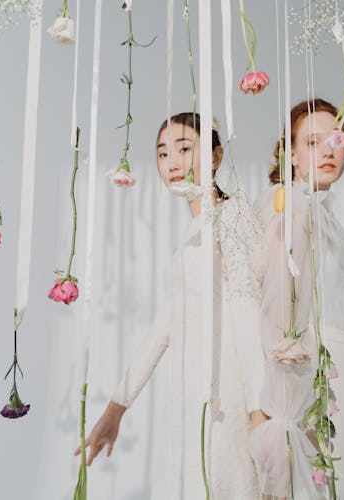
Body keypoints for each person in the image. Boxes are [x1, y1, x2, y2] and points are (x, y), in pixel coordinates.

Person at [76, 112, 267, 499]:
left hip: (225, 398)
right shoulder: (193, 231)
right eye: (163, 154)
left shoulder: (231, 217)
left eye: (184, 149)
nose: (173, 163)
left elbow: (249, 318)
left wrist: (259, 415)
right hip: (186, 398)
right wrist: (116, 409)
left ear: (215, 158)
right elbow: (166, 326)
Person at [250, 98, 344, 500]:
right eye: (313, 142)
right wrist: (279, 386)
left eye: (335, 139)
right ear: (292, 155)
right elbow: (278, 301)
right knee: (316, 478)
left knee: (335, 474)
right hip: (310, 367)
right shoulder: (293, 208)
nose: (328, 151)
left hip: (334, 362)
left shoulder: (318, 209)